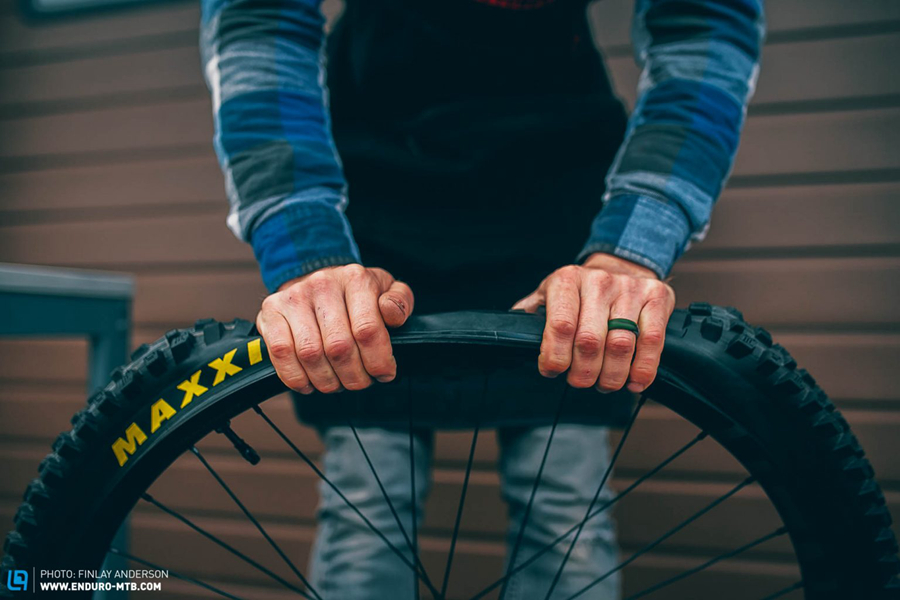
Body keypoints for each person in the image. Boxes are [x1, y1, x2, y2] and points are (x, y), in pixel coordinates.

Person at [199, 0, 764, 597]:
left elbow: (703, 25)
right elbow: (260, 18)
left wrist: (631, 247)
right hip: (376, 193)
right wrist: (307, 249)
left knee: (562, 506)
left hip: (551, 196)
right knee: (370, 506)